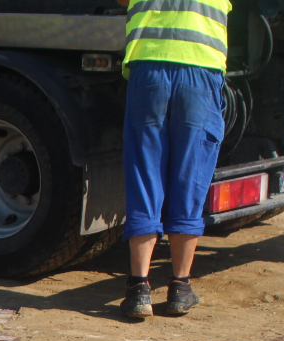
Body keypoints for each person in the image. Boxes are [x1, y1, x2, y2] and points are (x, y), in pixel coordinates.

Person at [117, 0, 230, 319]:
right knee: (190, 178)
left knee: (144, 174)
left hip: (149, 69)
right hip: (200, 71)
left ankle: (139, 289)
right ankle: (180, 287)